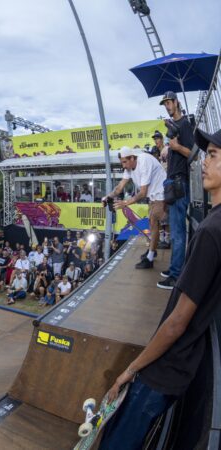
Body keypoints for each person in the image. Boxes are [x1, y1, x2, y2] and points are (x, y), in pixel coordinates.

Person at [98, 128, 221, 449]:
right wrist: (115, 195)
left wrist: (130, 369)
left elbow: (177, 322)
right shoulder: (214, 224)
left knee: (117, 441)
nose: (203, 163)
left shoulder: (209, 232)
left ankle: (152, 253)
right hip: (182, 366)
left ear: (130, 157)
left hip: (166, 367)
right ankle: (151, 252)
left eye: (212, 155)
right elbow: (125, 184)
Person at [103, 146, 167, 270]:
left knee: (154, 224)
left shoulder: (144, 161)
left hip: (161, 195)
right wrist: (108, 197)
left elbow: (142, 192)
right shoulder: (129, 168)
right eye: (122, 163)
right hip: (153, 197)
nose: (124, 166)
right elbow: (120, 187)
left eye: (125, 162)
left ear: (132, 157)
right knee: (153, 225)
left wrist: (125, 203)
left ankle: (150, 257)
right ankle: (152, 252)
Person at [157, 91, 194, 290]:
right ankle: (175, 268)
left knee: (178, 234)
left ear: (177, 102)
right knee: (175, 232)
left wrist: (177, 147)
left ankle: (175, 276)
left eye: (169, 102)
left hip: (180, 184)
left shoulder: (185, 125)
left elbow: (193, 154)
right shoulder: (174, 127)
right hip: (173, 184)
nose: (167, 106)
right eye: (165, 104)